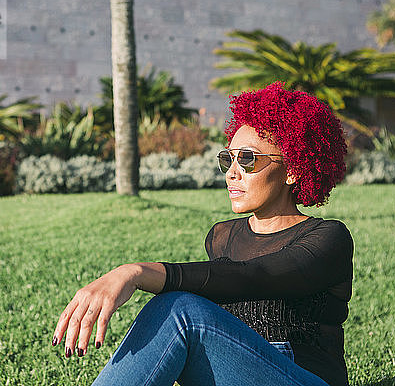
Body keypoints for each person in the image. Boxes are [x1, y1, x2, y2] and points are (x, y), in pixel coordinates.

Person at [52, 82, 354, 386]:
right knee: (176, 307)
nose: (232, 172)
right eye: (228, 159)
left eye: (248, 159)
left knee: (180, 310)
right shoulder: (222, 236)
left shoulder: (328, 239)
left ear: (293, 170)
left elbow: (254, 276)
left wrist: (136, 272)